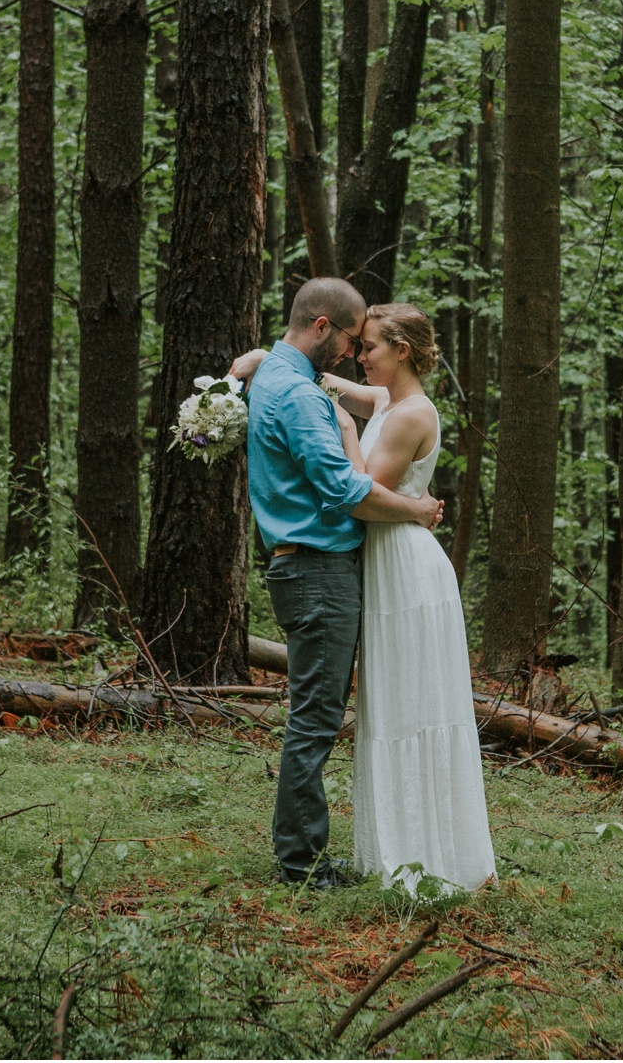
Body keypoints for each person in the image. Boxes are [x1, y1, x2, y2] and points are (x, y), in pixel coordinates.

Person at [233, 300, 494, 898]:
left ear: (401, 351)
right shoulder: (387, 400)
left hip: (403, 566)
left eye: (370, 346)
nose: (359, 355)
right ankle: (347, 852)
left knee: (409, 707)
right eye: (357, 342)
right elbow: (327, 378)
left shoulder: (407, 414)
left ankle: (418, 849)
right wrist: (264, 359)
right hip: (369, 561)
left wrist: (345, 430)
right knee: (373, 710)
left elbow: (362, 489)